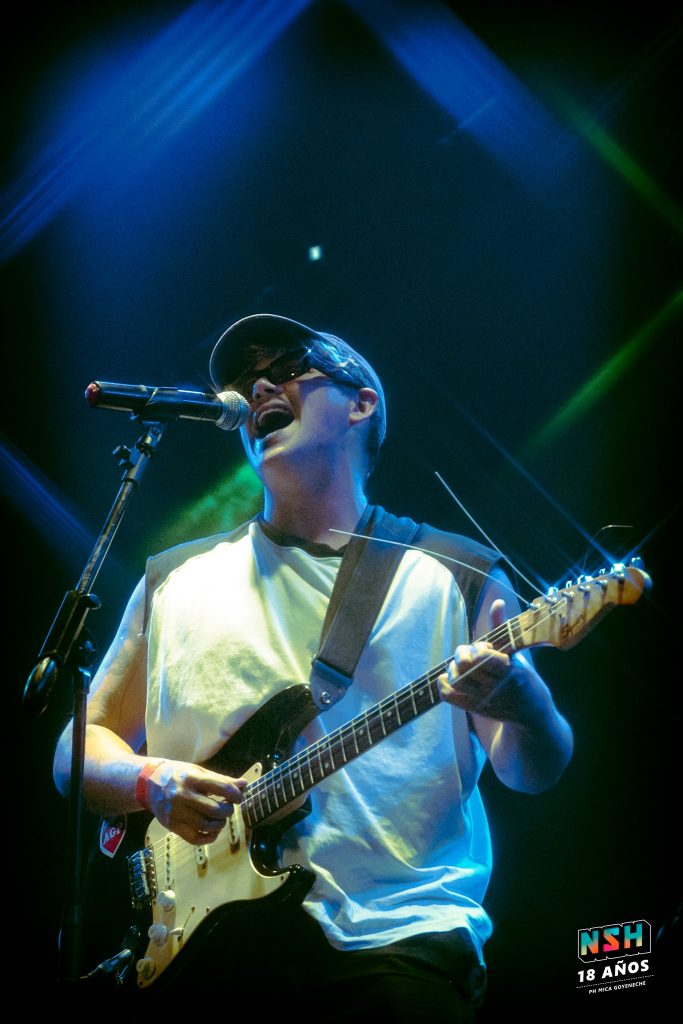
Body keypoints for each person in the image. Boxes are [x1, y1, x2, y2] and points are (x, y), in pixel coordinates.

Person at [53, 314, 573, 1018]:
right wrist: (151, 782)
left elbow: (530, 768)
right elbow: (77, 748)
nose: (257, 386)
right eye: (245, 380)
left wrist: (525, 705)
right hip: (197, 949)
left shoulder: (458, 574)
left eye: (287, 367)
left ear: (362, 403)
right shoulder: (172, 579)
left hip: (398, 940)